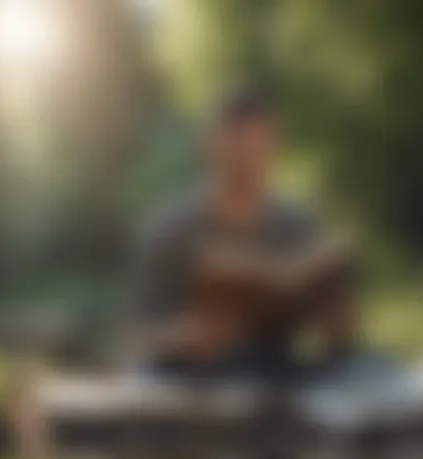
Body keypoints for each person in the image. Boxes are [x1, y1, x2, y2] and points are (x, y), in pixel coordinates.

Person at [125, 85, 355, 380]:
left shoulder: (295, 225)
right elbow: (133, 340)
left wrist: (337, 324)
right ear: (211, 144)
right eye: (238, 143)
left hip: (275, 373)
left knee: (369, 370)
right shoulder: (172, 229)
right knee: (141, 379)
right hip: (192, 379)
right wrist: (185, 335)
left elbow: (328, 338)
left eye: (260, 143)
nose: (248, 156)